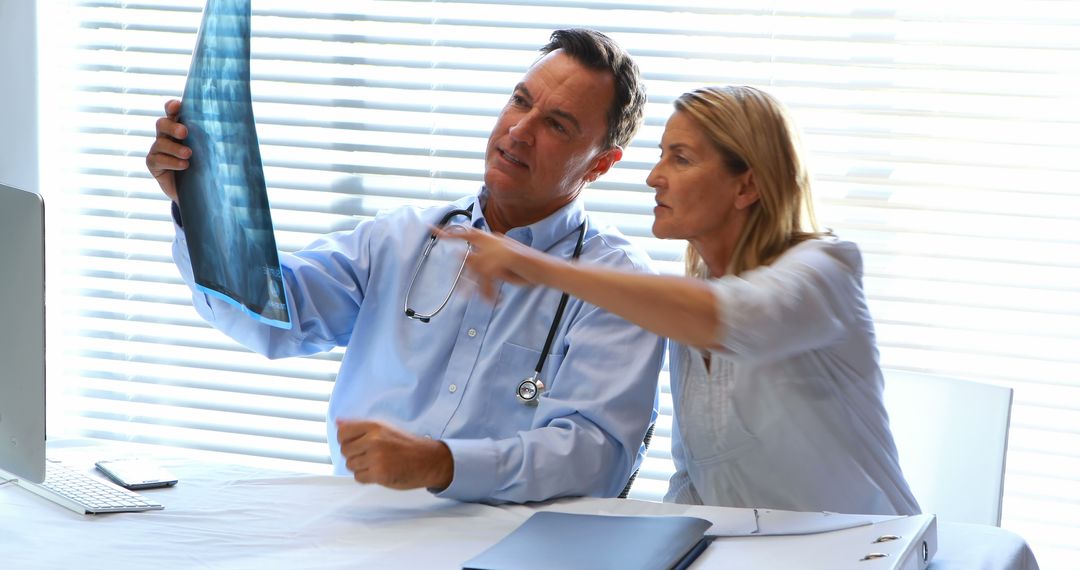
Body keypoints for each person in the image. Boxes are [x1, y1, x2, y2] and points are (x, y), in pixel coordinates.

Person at [145, 29, 665, 503]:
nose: (519, 130)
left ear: (600, 163)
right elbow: (272, 315)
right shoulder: (403, 237)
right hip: (364, 529)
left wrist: (443, 465)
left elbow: (596, 457)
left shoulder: (619, 284)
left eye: (556, 123)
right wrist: (196, 204)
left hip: (517, 544)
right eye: (520, 101)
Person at [443, 85, 921, 515]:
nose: (654, 177)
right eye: (660, 156)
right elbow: (697, 479)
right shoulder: (690, 309)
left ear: (747, 186)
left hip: (868, 549)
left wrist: (539, 267)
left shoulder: (826, 270)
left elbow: (730, 316)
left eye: (681, 159)